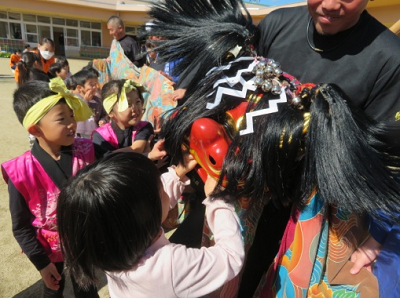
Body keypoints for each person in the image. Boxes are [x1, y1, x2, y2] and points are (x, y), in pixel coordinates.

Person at [57, 152, 244, 297]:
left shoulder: (110, 245)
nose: (166, 192)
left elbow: (146, 204)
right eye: (162, 191)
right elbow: (230, 257)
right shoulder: (169, 266)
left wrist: (177, 173)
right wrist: (218, 201)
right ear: (145, 214)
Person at [1, 78, 99, 297]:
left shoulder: (88, 150)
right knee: (53, 289)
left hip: (83, 242)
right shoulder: (21, 171)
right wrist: (42, 264)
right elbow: (21, 226)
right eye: (62, 119)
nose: (72, 124)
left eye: (72, 115)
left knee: (87, 289)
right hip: (49, 250)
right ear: (35, 129)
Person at [92, 79, 154, 158]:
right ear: (111, 112)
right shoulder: (101, 135)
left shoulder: (144, 127)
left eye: (137, 102)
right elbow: (106, 164)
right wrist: (148, 156)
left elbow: (137, 149)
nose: (135, 109)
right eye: (127, 104)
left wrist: (110, 155)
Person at [66, 67, 107, 139]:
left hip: (94, 133)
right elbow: (76, 114)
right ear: (80, 88)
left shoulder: (97, 100)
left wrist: (103, 120)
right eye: (91, 85)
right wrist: (85, 101)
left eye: (95, 84)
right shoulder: (74, 99)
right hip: (79, 134)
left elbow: (104, 114)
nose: (94, 87)